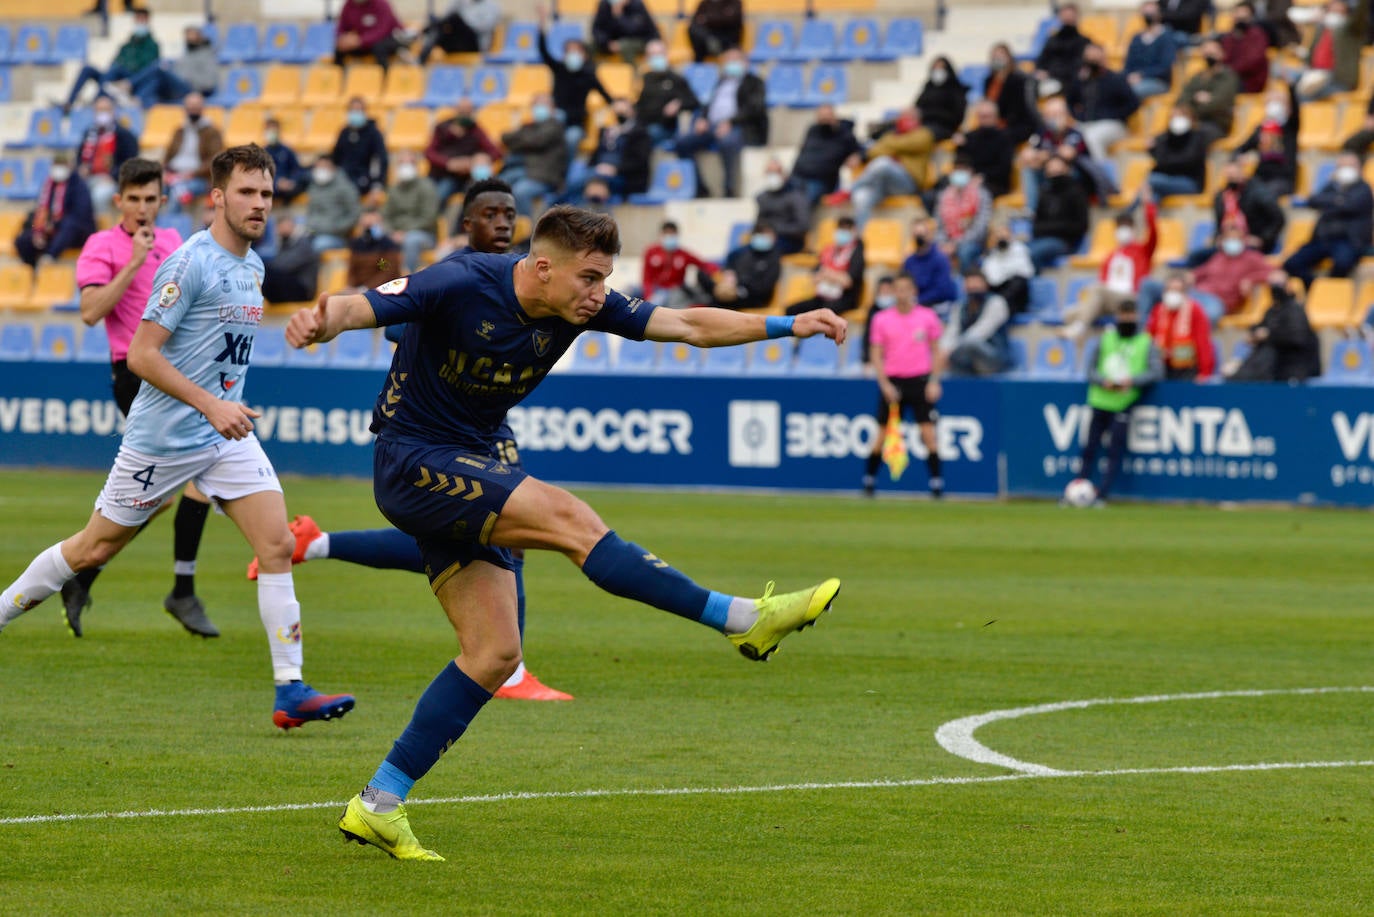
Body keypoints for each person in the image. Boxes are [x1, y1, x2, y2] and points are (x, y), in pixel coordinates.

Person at [283, 205, 844, 860]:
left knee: (494, 651)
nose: (599, 293)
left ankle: (379, 802)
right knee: (575, 521)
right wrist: (321, 320)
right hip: (413, 460)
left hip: (468, 462)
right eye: (590, 278)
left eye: (605, 278)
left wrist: (790, 322)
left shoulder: (581, 303)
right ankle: (742, 617)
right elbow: (366, 305)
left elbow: (690, 323)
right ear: (542, 267)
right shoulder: (463, 281)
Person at [0, 145, 355, 731]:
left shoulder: (254, 267)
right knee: (93, 549)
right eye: (247, 192)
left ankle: (290, 689)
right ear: (217, 197)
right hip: (162, 439)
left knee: (274, 543)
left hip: (224, 436)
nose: (259, 204)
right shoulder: (188, 263)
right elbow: (142, 355)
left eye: (266, 194)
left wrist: (226, 403)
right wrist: (212, 403)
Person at [250, 179, 577, 703]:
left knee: (484, 536)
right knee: (488, 535)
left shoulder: (527, 276)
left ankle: (319, 543)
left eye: (508, 214)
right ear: (465, 225)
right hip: (439, 429)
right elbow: (393, 323)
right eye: (488, 214)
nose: (500, 223)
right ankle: (510, 672)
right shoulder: (448, 276)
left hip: (486, 422)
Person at [62, 158, 214, 638]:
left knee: (164, 495)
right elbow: (90, 312)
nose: (144, 209)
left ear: (162, 202)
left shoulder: (173, 243)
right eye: (135, 200)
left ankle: (84, 573)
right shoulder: (101, 245)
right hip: (134, 371)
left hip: (177, 370)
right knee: (201, 474)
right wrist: (131, 263)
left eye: (152, 200)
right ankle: (181, 590)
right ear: (119, 201)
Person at [862, 274, 945, 499]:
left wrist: (935, 381)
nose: (902, 294)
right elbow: (876, 354)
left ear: (914, 291)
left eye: (906, 289)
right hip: (893, 382)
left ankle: (936, 483)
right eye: (897, 289)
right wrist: (884, 384)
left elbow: (937, 351)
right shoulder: (881, 319)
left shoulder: (927, 317)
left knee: (928, 434)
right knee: (881, 434)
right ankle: (869, 481)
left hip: (919, 380)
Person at [1073, 302, 1164, 506]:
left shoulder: (1145, 342)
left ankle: (1102, 494)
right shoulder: (1105, 339)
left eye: (1130, 315)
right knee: (1089, 447)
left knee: (1114, 449)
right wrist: (1103, 381)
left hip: (1124, 401)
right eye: (1123, 315)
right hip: (1100, 399)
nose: (1126, 320)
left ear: (1137, 316)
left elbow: (1156, 372)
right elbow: (1089, 370)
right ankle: (1077, 487)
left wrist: (1132, 381)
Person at [673, 47, 766, 199]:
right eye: (728, 60)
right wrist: (702, 119)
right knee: (682, 143)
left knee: (727, 141)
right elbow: (708, 105)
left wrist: (731, 122)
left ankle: (729, 189)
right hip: (712, 126)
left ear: (745, 62)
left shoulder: (754, 83)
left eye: (735, 60)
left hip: (741, 126)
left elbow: (754, 109)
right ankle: (700, 187)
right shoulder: (721, 82)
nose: (731, 63)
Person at [1064, 198, 1158, 341]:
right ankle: (1081, 325)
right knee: (1069, 314)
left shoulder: (1142, 251)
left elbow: (1153, 232)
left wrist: (1148, 204)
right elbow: (1104, 280)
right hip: (1109, 300)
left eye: (1126, 226)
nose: (1123, 230)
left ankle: (1080, 328)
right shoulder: (1110, 257)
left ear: (1133, 229)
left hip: (1130, 297)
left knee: (1097, 290)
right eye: (1120, 226)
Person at [1282, 151, 1374, 288]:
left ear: (1359, 168)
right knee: (1291, 264)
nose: (1345, 171)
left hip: (1348, 240)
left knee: (1343, 262)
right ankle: (1314, 287)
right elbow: (1314, 200)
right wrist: (1337, 200)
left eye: (1350, 166)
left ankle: (1328, 290)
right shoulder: (1331, 186)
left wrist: (1333, 201)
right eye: (1342, 167)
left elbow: (1350, 205)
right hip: (1323, 238)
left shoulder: (1364, 189)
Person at [537, 6, 613, 162]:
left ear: (584, 55)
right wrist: (542, 24)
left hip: (575, 124)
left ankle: (564, 172)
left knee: (571, 138)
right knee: (553, 124)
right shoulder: (559, 69)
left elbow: (606, 96)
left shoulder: (589, 75)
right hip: (556, 123)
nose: (573, 55)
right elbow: (543, 52)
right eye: (569, 52)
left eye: (576, 51)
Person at [841, 107, 933, 229]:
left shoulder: (924, 134)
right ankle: (859, 240)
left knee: (883, 163)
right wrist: (893, 146)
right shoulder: (891, 135)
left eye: (910, 117)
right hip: (884, 185)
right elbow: (874, 151)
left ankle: (849, 189)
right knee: (861, 197)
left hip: (908, 183)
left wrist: (890, 146)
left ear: (918, 119)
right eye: (903, 116)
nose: (906, 120)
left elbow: (909, 144)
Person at [1184, 160, 1285, 266]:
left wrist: (1262, 239)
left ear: (1242, 172)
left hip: (1250, 243)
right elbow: (1220, 224)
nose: (1232, 179)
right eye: (1229, 176)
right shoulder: (1222, 197)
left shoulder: (1259, 193)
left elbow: (1278, 218)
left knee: (1237, 259)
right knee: (1196, 257)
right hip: (1227, 242)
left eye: (1234, 175)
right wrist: (1217, 238)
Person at [1227, 271, 1322, 382]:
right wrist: (1254, 335)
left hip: (1295, 367)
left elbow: (1297, 338)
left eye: (1279, 285)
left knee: (1266, 354)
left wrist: (1268, 335)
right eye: (1272, 285)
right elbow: (1259, 327)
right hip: (1276, 368)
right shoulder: (1272, 310)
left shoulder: (1295, 310)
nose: (1275, 289)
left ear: (1288, 285)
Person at [64, 8, 158, 112]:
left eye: (142, 19)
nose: (140, 22)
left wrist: (128, 81)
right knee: (88, 69)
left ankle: (96, 101)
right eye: (138, 19)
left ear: (148, 21)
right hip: (113, 80)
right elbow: (114, 61)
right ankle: (68, 104)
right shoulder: (127, 45)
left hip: (131, 82)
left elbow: (149, 72)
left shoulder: (152, 46)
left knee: (116, 70)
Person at [15, 154, 95, 268]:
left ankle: (49, 257)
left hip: (75, 232)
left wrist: (54, 225)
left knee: (69, 225)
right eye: (56, 165)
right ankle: (31, 270)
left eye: (62, 165)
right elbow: (39, 211)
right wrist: (37, 230)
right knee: (24, 238)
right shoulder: (48, 186)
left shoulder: (78, 185)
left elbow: (81, 215)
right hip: (51, 231)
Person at [1066, 44, 1140, 162]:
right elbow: (1070, 101)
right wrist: (1077, 116)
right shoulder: (1081, 81)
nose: (1092, 63)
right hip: (1085, 123)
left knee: (1092, 137)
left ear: (1103, 59)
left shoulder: (1115, 79)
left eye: (1095, 59)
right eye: (1089, 59)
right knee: (1070, 138)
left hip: (1113, 125)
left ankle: (1101, 176)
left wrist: (1113, 114)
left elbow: (1133, 103)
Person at [1017, 96, 1089, 215]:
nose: (1053, 119)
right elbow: (1028, 154)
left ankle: (1065, 209)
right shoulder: (1042, 134)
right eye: (1049, 115)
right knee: (1029, 169)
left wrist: (1045, 155)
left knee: (1058, 168)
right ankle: (1031, 210)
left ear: (1066, 115)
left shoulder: (1075, 133)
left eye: (1057, 114)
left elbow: (1068, 154)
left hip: (1077, 176)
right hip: (1049, 174)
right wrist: (1040, 156)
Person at [500, 94, 568, 218]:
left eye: (543, 104)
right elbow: (506, 138)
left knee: (519, 192)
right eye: (536, 105)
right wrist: (525, 141)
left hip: (544, 175)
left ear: (553, 108)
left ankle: (527, 233)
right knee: (497, 185)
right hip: (526, 170)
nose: (539, 108)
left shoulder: (555, 125)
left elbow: (538, 141)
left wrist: (521, 141)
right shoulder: (529, 126)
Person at [425, 101, 504, 205]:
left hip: (463, 178)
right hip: (442, 174)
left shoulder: (475, 130)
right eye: (462, 110)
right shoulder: (442, 128)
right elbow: (429, 153)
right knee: (433, 195)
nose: (465, 113)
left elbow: (495, 152)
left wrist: (480, 159)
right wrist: (448, 163)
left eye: (468, 110)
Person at [1191, 221, 1273, 319]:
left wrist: (1251, 279)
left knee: (1203, 315)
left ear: (1244, 240)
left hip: (1219, 301)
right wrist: (1189, 277)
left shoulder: (1252, 258)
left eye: (1236, 238)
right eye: (1229, 238)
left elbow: (1274, 273)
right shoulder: (1219, 256)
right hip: (1198, 293)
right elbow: (1202, 271)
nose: (1232, 241)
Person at [786, 216, 865, 317]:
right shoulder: (829, 250)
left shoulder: (857, 252)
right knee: (791, 310)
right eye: (841, 228)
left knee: (824, 312)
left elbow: (847, 281)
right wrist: (834, 276)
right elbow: (815, 276)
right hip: (823, 296)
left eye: (846, 229)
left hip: (844, 299)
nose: (842, 232)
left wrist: (827, 274)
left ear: (853, 231)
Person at [1288, 0, 1366, 101]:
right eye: (1332, 3)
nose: (1332, 6)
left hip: (1337, 79)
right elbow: (1311, 55)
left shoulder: (1350, 29)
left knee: (1303, 94)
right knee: (1285, 76)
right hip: (1314, 72)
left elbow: (1360, 15)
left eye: (1337, 3)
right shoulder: (1321, 27)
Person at [940, 269, 1012, 377]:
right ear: (965, 287)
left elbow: (980, 332)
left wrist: (951, 350)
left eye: (977, 284)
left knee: (971, 342)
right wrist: (943, 351)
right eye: (970, 285)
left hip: (994, 358)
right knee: (939, 352)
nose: (973, 288)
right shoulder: (959, 307)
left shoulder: (997, 302)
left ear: (985, 285)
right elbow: (951, 332)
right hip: (967, 359)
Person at [74, 96, 138, 216]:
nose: (102, 113)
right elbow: (79, 158)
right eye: (99, 110)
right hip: (89, 178)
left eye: (105, 110)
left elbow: (131, 164)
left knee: (99, 195)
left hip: (112, 181)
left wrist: (112, 176)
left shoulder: (125, 135)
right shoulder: (89, 133)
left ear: (113, 111)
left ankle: (100, 231)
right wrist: (81, 168)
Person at [129, 23, 218, 108]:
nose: (188, 38)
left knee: (159, 66)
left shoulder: (207, 55)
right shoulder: (186, 54)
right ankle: (138, 101)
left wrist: (188, 78)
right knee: (156, 80)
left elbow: (209, 83)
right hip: (177, 86)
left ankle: (129, 84)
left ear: (199, 36)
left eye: (191, 35)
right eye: (187, 35)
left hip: (191, 89)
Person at [1146, 272, 1216, 380]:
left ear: (1184, 293)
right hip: (1161, 366)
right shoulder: (1158, 310)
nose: (1173, 293)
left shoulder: (1195, 310)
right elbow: (1149, 338)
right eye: (1170, 290)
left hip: (1186, 367)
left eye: (1177, 290)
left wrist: (1205, 372)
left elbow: (1202, 341)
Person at [1235, 82, 1300, 198]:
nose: (1274, 105)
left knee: (1263, 194)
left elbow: (1296, 110)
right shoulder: (1261, 129)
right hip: (1261, 178)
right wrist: (1239, 158)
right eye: (1270, 102)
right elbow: (1241, 148)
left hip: (1282, 180)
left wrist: (1291, 87)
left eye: (1278, 102)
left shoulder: (1290, 128)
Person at [790, 104, 862, 208]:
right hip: (797, 176)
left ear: (834, 116)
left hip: (820, 182)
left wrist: (857, 156)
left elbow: (860, 151)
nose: (825, 120)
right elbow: (803, 152)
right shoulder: (813, 130)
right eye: (822, 117)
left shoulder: (845, 135)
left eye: (827, 116)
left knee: (800, 204)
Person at [162, 92, 223, 216]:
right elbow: (168, 155)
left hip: (198, 178)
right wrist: (164, 172)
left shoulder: (211, 132)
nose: (192, 110)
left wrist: (192, 174)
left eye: (196, 107)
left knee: (177, 194)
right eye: (190, 107)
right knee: (154, 192)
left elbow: (215, 159)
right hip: (174, 174)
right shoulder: (179, 130)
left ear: (202, 108)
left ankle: (171, 232)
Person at [1028, 155, 1089, 273]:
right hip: (1041, 239)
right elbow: (1036, 226)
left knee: (1032, 253)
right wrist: (1055, 227)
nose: (1055, 175)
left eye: (1058, 171)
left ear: (1067, 170)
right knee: (1017, 252)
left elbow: (1081, 226)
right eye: (1051, 171)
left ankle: (1035, 285)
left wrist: (1051, 228)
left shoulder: (1076, 193)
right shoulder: (1045, 194)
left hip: (1065, 242)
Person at [583, 97, 653, 199]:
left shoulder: (640, 133)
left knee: (594, 184)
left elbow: (639, 161)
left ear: (632, 112)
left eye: (623, 112)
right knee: (580, 178)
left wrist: (615, 170)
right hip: (599, 171)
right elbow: (595, 155)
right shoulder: (606, 131)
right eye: (617, 112)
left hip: (625, 177)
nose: (619, 116)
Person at [383, 151, 441, 274]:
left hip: (424, 234)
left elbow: (429, 218)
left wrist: (404, 232)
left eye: (410, 163)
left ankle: (408, 279)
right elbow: (385, 216)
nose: (406, 166)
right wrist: (391, 232)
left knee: (411, 240)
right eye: (402, 163)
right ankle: (383, 275)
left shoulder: (427, 187)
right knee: (378, 239)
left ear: (416, 165)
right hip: (397, 233)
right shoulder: (393, 189)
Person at [633, 41, 701, 145]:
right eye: (653, 55)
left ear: (666, 55)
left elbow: (693, 101)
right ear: (647, 58)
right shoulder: (645, 78)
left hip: (664, 126)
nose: (657, 58)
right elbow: (638, 104)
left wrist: (678, 104)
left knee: (645, 135)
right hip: (643, 123)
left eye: (659, 54)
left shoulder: (676, 79)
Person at [933, 154, 992, 270]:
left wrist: (955, 244)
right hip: (947, 241)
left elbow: (981, 227)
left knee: (965, 252)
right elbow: (938, 226)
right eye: (957, 169)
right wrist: (943, 243)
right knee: (934, 252)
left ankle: (964, 284)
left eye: (963, 169)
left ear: (971, 172)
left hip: (973, 242)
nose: (959, 173)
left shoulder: (982, 195)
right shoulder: (943, 195)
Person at [1177, 39, 1240, 145]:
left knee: (1195, 137)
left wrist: (1192, 109)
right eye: (1206, 53)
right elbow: (1182, 99)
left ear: (1221, 54)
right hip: (1192, 121)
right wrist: (1196, 99)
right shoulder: (1197, 77)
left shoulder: (1228, 77)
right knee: (1169, 135)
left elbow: (1218, 103)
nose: (1209, 57)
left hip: (1215, 124)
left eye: (1212, 53)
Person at [706, 221, 780, 310]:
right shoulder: (744, 252)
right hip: (733, 289)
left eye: (767, 234)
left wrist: (739, 288)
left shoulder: (774, 259)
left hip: (754, 297)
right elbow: (730, 262)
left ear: (774, 238)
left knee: (719, 304)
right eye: (760, 233)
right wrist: (729, 273)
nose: (763, 237)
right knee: (706, 280)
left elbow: (764, 288)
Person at [641, 220, 716, 307]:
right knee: (631, 292)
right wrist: (649, 294)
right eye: (667, 234)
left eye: (672, 234)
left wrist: (718, 272)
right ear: (661, 235)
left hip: (675, 290)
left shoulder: (683, 254)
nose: (670, 237)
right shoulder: (651, 252)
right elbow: (646, 278)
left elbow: (704, 264)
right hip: (656, 289)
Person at [902, 217, 960, 321]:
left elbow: (942, 289)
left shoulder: (941, 259)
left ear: (930, 235)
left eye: (922, 234)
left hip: (938, 307)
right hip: (916, 307)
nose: (919, 238)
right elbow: (905, 284)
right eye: (916, 234)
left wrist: (918, 301)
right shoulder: (909, 261)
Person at [1147, 105, 1209, 201]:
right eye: (1172, 117)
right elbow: (1160, 160)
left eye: (1179, 116)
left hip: (1190, 182)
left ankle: (1128, 212)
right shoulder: (1165, 138)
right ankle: (1147, 215)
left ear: (1190, 118)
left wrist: (1167, 161)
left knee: (1151, 181)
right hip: (1166, 180)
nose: (1176, 120)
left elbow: (1188, 161)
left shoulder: (1198, 137)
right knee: (1153, 194)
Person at [954, 100, 1014, 199]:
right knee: (944, 187)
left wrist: (983, 177)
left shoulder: (1005, 138)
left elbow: (1004, 168)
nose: (985, 120)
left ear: (996, 117)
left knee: (975, 192)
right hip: (970, 178)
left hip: (994, 183)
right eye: (982, 116)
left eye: (988, 116)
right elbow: (962, 161)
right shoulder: (970, 136)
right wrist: (960, 147)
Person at [1123, 1, 1182, 99]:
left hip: (1158, 81)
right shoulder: (1136, 38)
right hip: (1133, 79)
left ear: (1159, 14)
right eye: (1146, 12)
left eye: (1151, 12)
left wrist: (1141, 75)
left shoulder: (1166, 37)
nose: (1148, 15)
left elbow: (1165, 67)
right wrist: (1129, 76)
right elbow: (1128, 64)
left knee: (1132, 91)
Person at [333, 98, 389, 198]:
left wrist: (377, 183)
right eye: (352, 110)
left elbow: (381, 159)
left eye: (358, 110)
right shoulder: (344, 132)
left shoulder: (373, 133)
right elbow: (336, 157)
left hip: (364, 177)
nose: (355, 113)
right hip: (344, 176)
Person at [305, 156, 362, 253]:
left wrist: (337, 228)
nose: (321, 170)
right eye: (318, 167)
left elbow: (355, 213)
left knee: (316, 246)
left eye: (324, 167)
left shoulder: (345, 187)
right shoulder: (314, 186)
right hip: (315, 232)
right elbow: (311, 212)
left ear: (333, 168)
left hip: (335, 236)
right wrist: (311, 229)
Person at [984, 42, 1037, 145]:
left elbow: (1019, 109)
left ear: (1009, 57)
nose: (997, 59)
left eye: (1001, 56)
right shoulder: (988, 80)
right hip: (994, 123)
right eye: (995, 56)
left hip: (1016, 124)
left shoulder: (1018, 80)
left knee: (999, 137)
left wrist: (1000, 124)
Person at [754, 157, 809, 255]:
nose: (773, 176)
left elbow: (802, 226)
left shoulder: (796, 196)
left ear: (784, 175)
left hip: (789, 240)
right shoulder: (762, 197)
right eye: (769, 172)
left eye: (776, 172)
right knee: (739, 254)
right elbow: (759, 222)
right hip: (766, 237)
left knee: (768, 250)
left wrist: (776, 229)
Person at [260, 214, 319, 305]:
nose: (282, 229)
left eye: (285, 225)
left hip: (303, 290)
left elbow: (285, 266)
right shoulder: (283, 243)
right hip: (286, 288)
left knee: (266, 271)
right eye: (279, 226)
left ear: (293, 225)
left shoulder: (303, 243)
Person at [1035, 2, 1090, 96]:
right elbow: (1041, 61)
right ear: (1060, 16)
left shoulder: (1084, 41)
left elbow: (1088, 64)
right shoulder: (1052, 40)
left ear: (1077, 17)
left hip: (1076, 82)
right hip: (1052, 80)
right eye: (1065, 15)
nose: (1068, 18)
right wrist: (1041, 71)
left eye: (1071, 15)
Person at [335, 0, 408, 70]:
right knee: (340, 47)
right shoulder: (349, 4)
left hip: (391, 38)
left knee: (379, 48)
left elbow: (381, 31)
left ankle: (385, 77)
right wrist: (342, 38)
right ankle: (339, 78)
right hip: (364, 42)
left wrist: (360, 41)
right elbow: (342, 26)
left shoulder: (381, 4)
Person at [979, 222, 1033, 314]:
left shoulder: (1020, 249)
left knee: (1018, 281)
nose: (1000, 237)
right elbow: (990, 277)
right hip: (997, 292)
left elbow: (1025, 273)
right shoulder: (991, 254)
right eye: (997, 234)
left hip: (1014, 297)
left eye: (1003, 233)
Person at [419, 0, 499, 62]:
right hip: (460, 43)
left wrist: (464, 20)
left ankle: (424, 31)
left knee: (455, 18)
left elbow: (483, 27)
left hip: (476, 44)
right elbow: (447, 16)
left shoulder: (491, 6)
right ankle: (423, 55)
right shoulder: (465, 3)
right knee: (442, 31)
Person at [346, 209, 403, 291]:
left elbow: (387, 272)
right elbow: (352, 271)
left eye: (371, 225)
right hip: (357, 291)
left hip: (381, 291)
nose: (368, 230)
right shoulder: (357, 245)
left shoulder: (387, 246)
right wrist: (351, 287)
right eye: (366, 226)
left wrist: (365, 288)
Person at [1222, 2, 1272, 95]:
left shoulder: (1258, 35)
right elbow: (1224, 57)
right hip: (1230, 77)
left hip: (1249, 81)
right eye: (1238, 14)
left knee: (1220, 87)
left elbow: (1253, 61)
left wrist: (1231, 70)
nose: (1240, 19)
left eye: (1244, 16)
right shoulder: (1229, 37)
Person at [915, 56, 968, 142]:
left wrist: (931, 114)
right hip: (922, 125)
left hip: (944, 128)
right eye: (935, 68)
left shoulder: (956, 89)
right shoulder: (928, 87)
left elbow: (958, 116)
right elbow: (917, 107)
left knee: (920, 135)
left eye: (941, 68)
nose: (938, 71)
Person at [592, 0, 661, 64]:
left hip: (639, 40)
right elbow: (597, 29)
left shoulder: (637, 5)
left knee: (625, 46)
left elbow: (633, 31)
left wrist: (619, 16)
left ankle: (632, 72)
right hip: (611, 42)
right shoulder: (605, 5)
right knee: (590, 46)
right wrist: (607, 43)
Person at [264, 117, 309, 206]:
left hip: (289, 188)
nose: (272, 133)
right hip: (272, 188)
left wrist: (291, 181)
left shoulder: (287, 150)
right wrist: (277, 182)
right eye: (269, 130)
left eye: (274, 130)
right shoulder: (262, 153)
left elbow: (297, 169)